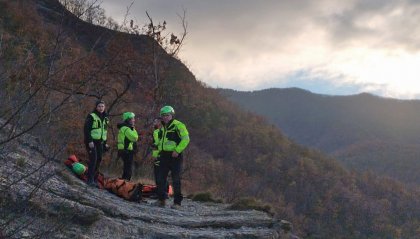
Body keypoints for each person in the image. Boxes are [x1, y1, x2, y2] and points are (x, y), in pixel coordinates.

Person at [154, 105, 190, 209]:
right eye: (163, 115)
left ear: (171, 115)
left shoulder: (178, 125)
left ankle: (177, 203)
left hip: (175, 156)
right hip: (164, 155)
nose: (165, 117)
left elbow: (186, 139)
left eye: (167, 115)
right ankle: (162, 200)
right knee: (160, 178)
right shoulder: (162, 127)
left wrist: (177, 150)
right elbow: (160, 142)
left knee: (176, 179)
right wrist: (157, 154)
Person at [84, 100, 109, 187]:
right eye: (99, 106)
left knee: (99, 159)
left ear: (104, 107)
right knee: (93, 159)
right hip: (92, 141)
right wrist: (90, 141)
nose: (101, 108)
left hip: (100, 142)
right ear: (96, 107)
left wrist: (105, 143)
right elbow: (86, 130)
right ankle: (89, 179)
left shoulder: (106, 117)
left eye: (102, 106)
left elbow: (104, 131)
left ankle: (95, 179)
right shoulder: (91, 116)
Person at [117, 112, 139, 181]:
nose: (134, 120)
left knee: (126, 166)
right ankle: (126, 180)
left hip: (123, 149)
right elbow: (134, 138)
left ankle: (124, 179)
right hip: (126, 150)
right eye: (132, 119)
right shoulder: (126, 128)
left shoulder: (123, 127)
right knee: (128, 166)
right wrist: (133, 129)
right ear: (128, 120)